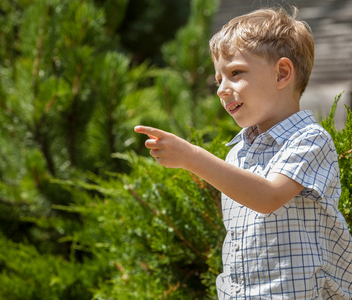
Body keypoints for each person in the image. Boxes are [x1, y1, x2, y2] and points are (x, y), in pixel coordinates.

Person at [134, 6, 352, 299]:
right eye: (218, 79)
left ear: (282, 73)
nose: (222, 89)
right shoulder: (237, 153)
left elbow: (268, 196)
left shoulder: (309, 140)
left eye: (235, 73)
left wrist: (192, 157)